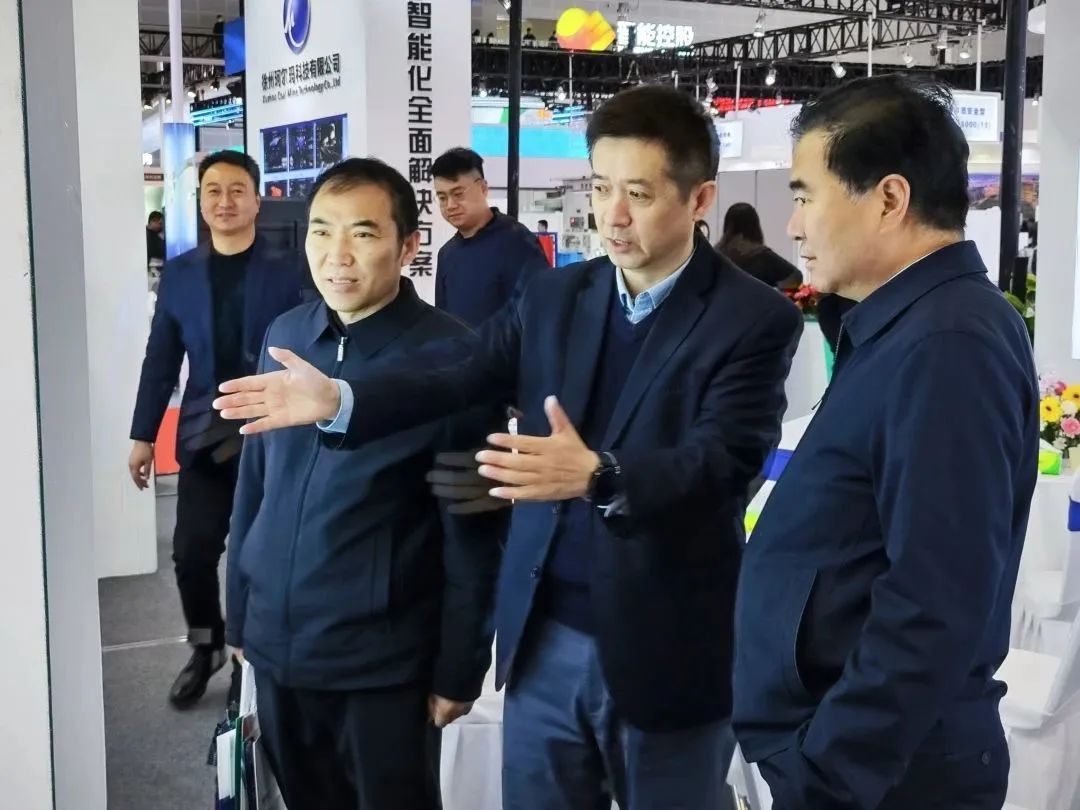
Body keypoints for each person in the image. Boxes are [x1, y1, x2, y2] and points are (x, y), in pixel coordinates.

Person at [214, 85, 803, 809]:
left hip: (666, 642)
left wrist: (601, 475)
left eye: (640, 193)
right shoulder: (557, 296)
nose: (613, 214)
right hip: (546, 636)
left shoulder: (754, 318)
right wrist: (343, 399)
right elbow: (457, 369)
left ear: (700, 198)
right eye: (601, 187)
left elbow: (725, 462)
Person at [732, 74, 1037, 809]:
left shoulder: (948, 343)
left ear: (890, 199)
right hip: (865, 762)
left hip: (884, 776)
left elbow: (934, 599)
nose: (793, 226)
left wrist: (825, 776)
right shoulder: (906, 326)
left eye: (806, 196)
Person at [226, 158, 503, 810]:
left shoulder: (453, 358)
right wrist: (240, 613)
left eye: (363, 233)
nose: (337, 255)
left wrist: (459, 668)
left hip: (382, 663)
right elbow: (255, 486)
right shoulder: (288, 335)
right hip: (278, 645)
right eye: (322, 231)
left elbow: (473, 532)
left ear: (408, 247)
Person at [128, 151, 306, 709]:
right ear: (200, 202)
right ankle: (205, 645)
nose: (224, 201)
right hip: (206, 434)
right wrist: (142, 434)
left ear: (256, 200)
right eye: (213, 191)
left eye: (236, 190)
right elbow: (161, 358)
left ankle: (245, 661)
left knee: (258, 555)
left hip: (271, 436)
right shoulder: (180, 274)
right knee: (191, 553)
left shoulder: (292, 270)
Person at [432, 147, 550, 327]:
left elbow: (540, 313)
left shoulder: (517, 242)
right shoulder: (447, 254)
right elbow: (443, 323)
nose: (450, 205)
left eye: (458, 194)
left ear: (483, 188)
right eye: (442, 198)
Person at [716, 202, 802, 289]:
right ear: (755, 226)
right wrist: (774, 292)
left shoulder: (716, 255)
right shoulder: (763, 256)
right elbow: (796, 277)